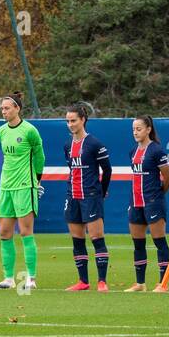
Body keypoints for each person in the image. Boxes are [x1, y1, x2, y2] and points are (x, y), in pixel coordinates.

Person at [0, 93, 45, 290]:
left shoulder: (30, 130)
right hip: (6, 187)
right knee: (4, 232)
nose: (4, 112)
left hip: (24, 186)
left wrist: (35, 181)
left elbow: (40, 157)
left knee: (25, 231)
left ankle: (30, 278)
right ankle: (9, 279)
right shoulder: (1, 131)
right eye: (2, 109)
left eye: (7, 108)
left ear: (17, 109)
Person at [62, 104, 113, 291]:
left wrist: (102, 190)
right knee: (77, 239)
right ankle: (83, 281)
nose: (70, 124)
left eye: (73, 120)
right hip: (72, 195)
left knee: (96, 237)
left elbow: (107, 170)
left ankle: (102, 281)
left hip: (91, 196)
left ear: (83, 120)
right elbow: (71, 169)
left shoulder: (95, 144)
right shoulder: (67, 145)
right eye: (67, 121)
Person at [124, 115, 169, 292]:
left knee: (160, 242)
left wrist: (158, 196)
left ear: (148, 129)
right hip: (135, 203)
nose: (135, 132)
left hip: (153, 202)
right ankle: (140, 283)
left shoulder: (156, 151)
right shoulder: (132, 152)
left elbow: (168, 178)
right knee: (138, 244)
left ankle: (163, 283)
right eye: (134, 129)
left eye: (139, 129)